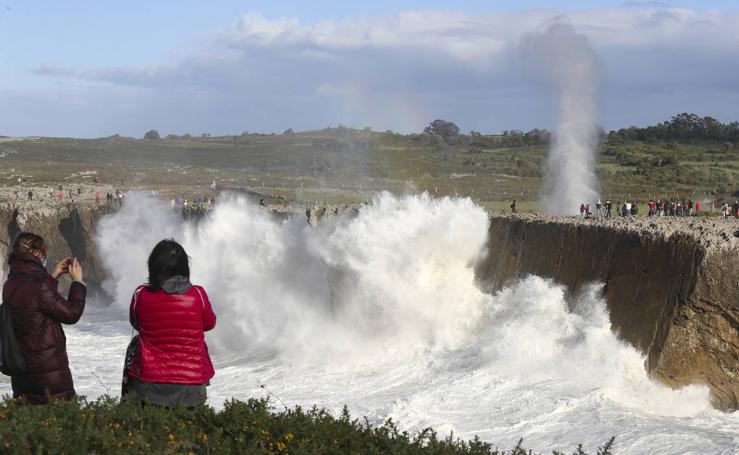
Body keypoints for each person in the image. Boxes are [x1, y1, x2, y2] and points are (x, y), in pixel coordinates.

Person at [125, 239, 216, 407]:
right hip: (191, 386)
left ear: (153, 266)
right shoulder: (198, 294)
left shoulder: (141, 294)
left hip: (149, 384)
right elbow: (209, 324)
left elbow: (136, 323)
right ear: (184, 267)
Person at [2, 233, 85, 404]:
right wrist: (77, 282)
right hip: (48, 374)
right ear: (36, 253)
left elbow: (33, 301)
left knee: (31, 424)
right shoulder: (40, 285)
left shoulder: (9, 284)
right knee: (63, 425)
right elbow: (71, 313)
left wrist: (52, 276)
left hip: (22, 372)